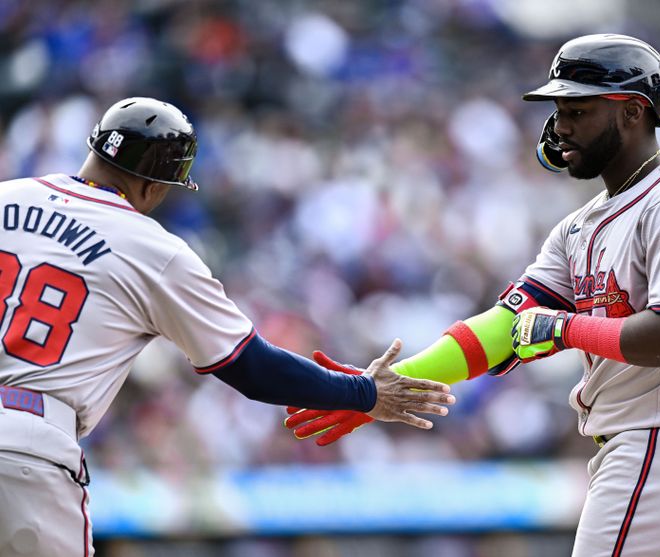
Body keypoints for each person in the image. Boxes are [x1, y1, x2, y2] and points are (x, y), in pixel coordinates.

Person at [285, 34, 660, 557]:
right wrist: (379, 389)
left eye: (578, 109)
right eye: (559, 109)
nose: (560, 126)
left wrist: (564, 330)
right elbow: (505, 327)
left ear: (633, 112)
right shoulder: (579, 227)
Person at [0, 97, 456, 557]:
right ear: (155, 185)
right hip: (27, 450)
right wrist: (365, 392)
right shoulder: (152, 249)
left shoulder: (6, 196)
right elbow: (251, 367)